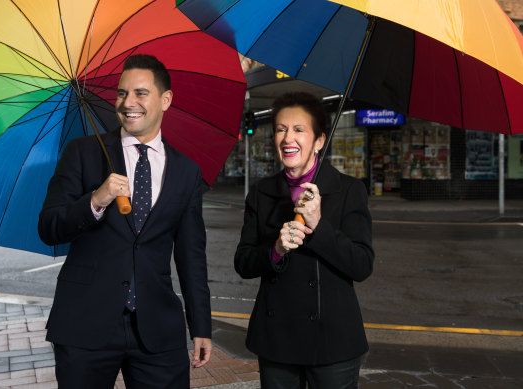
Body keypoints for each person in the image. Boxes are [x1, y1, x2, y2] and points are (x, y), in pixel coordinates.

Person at [38, 54, 212, 389]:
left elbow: (192, 256)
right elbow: (49, 227)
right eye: (121, 93)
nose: (128, 103)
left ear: (165, 100)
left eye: (140, 93)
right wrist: (96, 200)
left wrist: (201, 325)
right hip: (84, 324)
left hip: (158, 330)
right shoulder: (82, 152)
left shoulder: (187, 172)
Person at [234, 92, 374, 389]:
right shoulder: (261, 193)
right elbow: (244, 262)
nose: (288, 138)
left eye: (299, 130)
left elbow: (361, 265)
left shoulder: (348, 190)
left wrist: (318, 226)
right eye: (281, 129)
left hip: (333, 342)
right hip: (277, 340)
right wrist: (275, 249)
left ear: (319, 140)